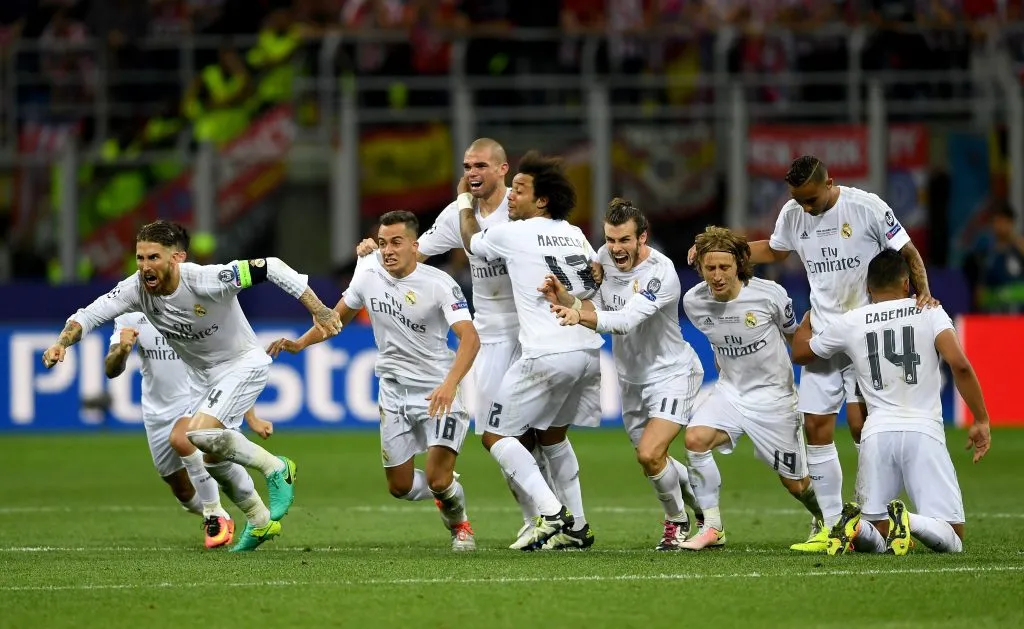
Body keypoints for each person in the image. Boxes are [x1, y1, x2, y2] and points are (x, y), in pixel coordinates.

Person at [42, 220, 341, 552]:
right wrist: (61, 343)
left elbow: (271, 267)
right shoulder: (135, 290)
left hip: (242, 363)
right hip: (204, 378)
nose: (144, 267)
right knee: (213, 460)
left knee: (194, 436)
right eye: (140, 258)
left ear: (176, 258)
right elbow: (90, 314)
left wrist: (322, 311)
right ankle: (258, 521)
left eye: (153, 257)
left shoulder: (206, 280)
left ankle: (277, 468)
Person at [688, 155, 937, 551]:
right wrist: (718, 253)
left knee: (862, 427)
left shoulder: (866, 207)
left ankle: (880, 516)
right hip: (823, 332)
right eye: (797, 199)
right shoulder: (792, 212)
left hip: (862, 334)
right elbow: (775, 249)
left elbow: (907, 250)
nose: (804, 207)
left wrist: (922, 289)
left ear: (830, 182)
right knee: (816, 428)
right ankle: (836, 526)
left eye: (810, 199)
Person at [355, 138, 555, 549]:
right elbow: (414, 255)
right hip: (494, 335)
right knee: (504, 433)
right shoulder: (454, 214)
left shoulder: (521, 212)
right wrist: (376, 258)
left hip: (538, 330)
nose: (472, 173)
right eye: (467, 166)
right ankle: (538, 518)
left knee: (545, 434)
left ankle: (560, 517)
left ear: (503, 169)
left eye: (481, 165)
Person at [268, 211, 480, 551]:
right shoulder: (368, 277)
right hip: (393, 393)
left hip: (437, 392)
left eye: (396, 242)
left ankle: (461, 525)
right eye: (383, 243)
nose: (388, 250)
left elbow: (470, 339)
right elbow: (333, 319)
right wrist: (301, 342)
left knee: (438, 479)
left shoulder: (440, 283)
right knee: (400, 487)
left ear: (415, 245)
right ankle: (446, 490)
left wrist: (451, 384)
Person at [790, 249, 991, 555]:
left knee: (877, 533)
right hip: (923, 431)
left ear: (868, 288)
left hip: (876, 435)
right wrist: (981, 419)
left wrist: (807, 320)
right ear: (907, 284)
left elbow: (802, 354)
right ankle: (907, 518)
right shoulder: (929, 310)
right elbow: (959, 364)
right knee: (953, 536)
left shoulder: (852, 320)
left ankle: (853, 526)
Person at [542, 198, 705, 550]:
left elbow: (626, 320)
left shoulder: (660, 273)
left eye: (624, 241)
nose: (615, 249)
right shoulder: (602, 259)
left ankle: (676, 522)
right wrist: (568, 300)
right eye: (611, 240)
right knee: (652, 459)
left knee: (649, 454)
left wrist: (579, 317)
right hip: (630, 378)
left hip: (671, 372)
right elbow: (596, 306)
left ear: (642, 238)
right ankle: (701, 504)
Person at [459, 150, 602, 551]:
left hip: (546, 352)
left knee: (494, 434)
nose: (510, 197)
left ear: (542, 200)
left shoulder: (514, 232)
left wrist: (464, 203)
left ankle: (552, 513)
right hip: (587, 349)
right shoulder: (575, 233)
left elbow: (472, 242)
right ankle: (578, 527)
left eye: (519, 190)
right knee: (551, 437)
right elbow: (595, 279)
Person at [680, 226, 826, 550]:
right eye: (710, 268)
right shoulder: (694, 302)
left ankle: (827, 517)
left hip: (774, 398)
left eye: (724, 267)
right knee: (695, 439)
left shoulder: (769, 295)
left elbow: (795, 340)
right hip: (730, 392)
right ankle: (713, 527)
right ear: (700, 267)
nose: (717, 276)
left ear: (739, 265)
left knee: (796, 485)